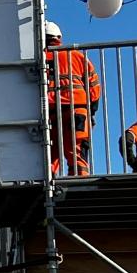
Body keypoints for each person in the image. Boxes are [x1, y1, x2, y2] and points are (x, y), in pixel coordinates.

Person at [43, 21, 102, 175]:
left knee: (48, 154)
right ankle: (80, 186)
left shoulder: (39, 58)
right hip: (77, 111)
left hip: (50, 113)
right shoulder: (77, 56)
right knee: (77, 153)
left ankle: (48, 187)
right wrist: (92, 112)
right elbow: (94, 88)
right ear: (59, 37)